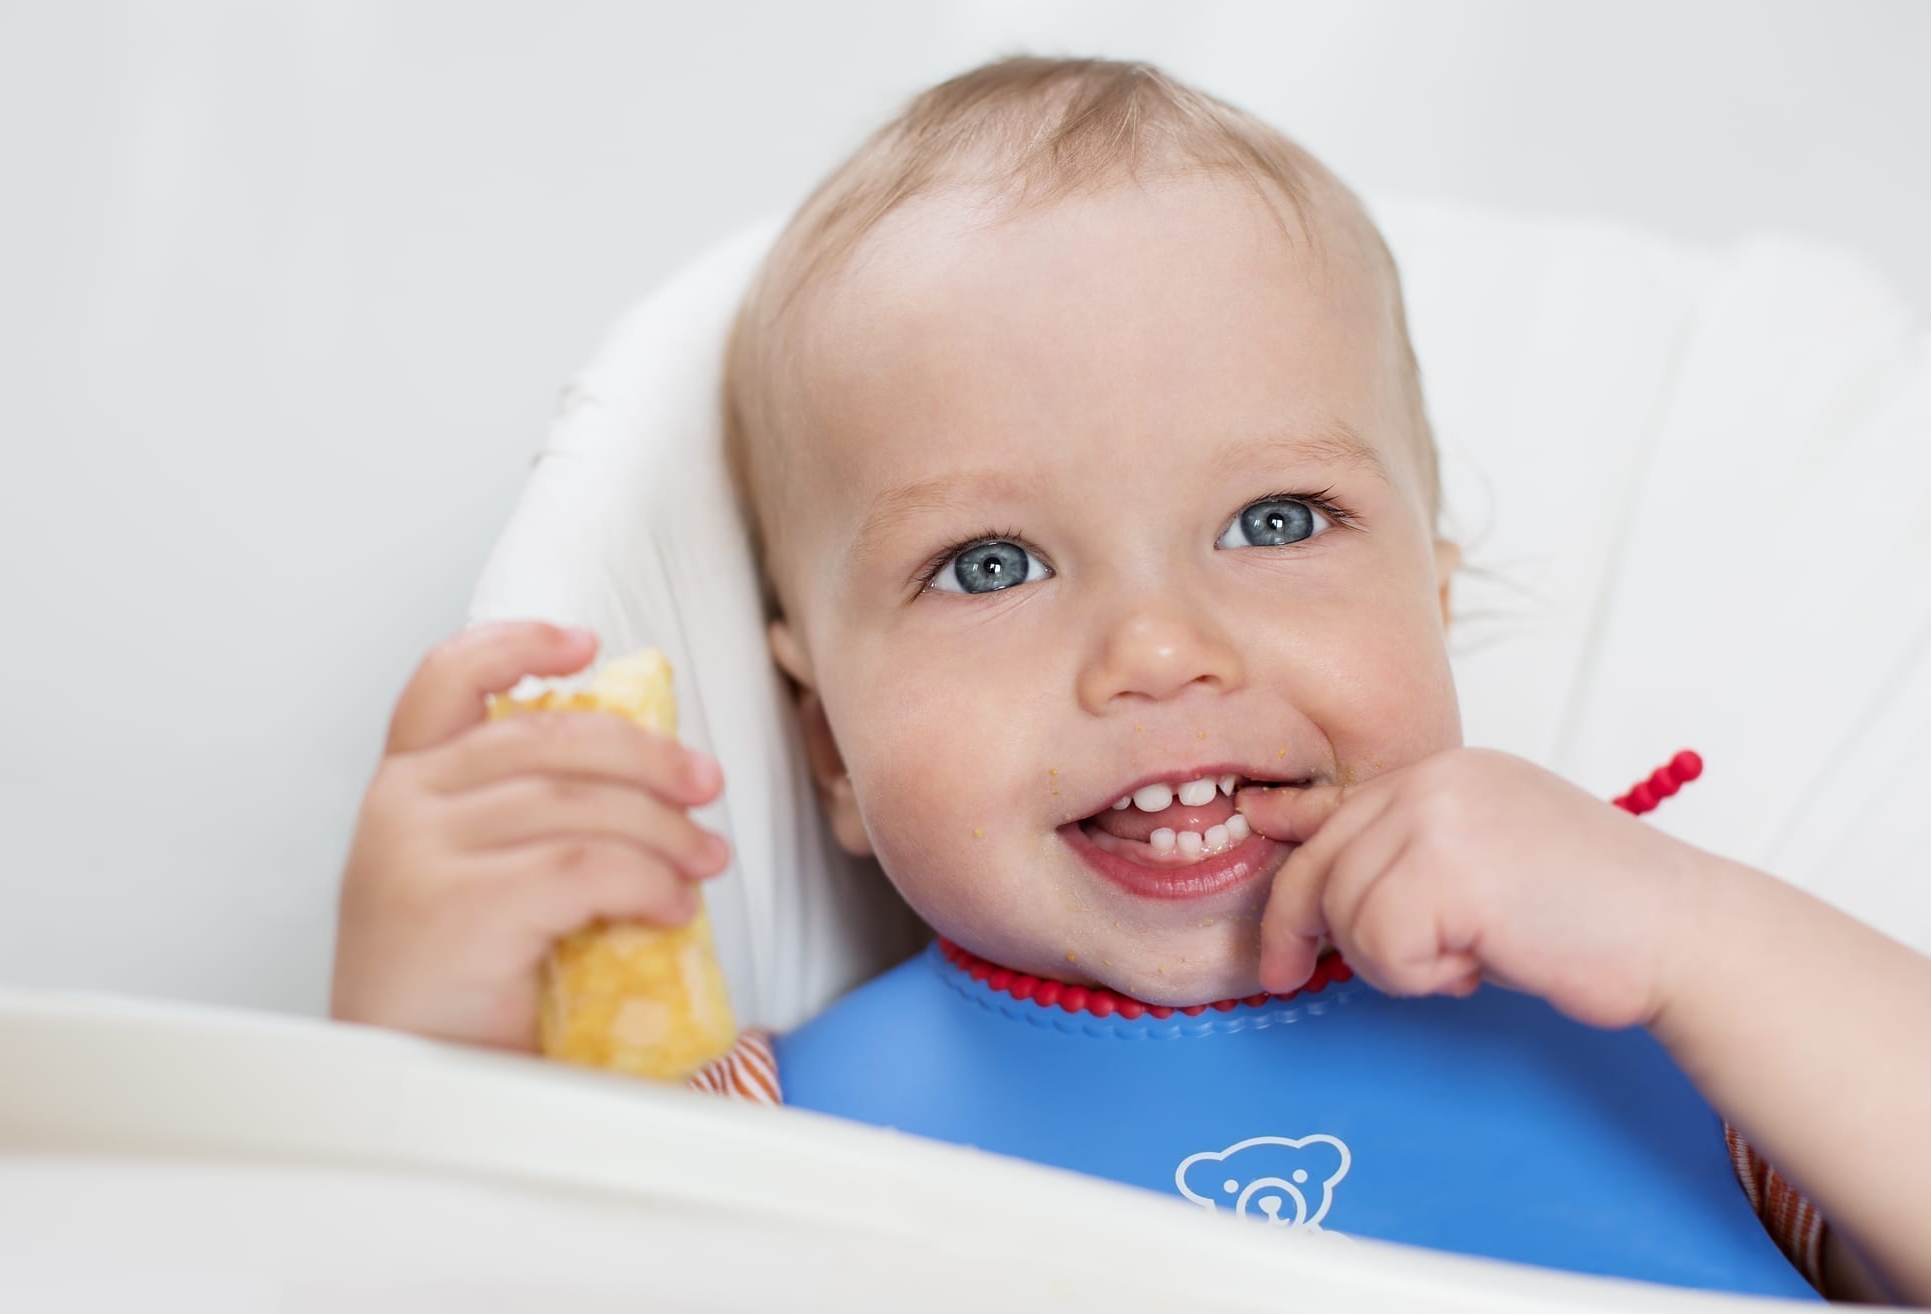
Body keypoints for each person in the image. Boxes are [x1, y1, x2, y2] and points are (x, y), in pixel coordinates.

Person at [331, 57, 1930, 1303]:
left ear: (1434, 609)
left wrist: (1694, 929)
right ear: (827, 740)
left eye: (1278, 520)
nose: (1160, 650)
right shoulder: (762, 1132)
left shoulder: (1691, 1046)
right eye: (990, 563)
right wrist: (419, 1054)